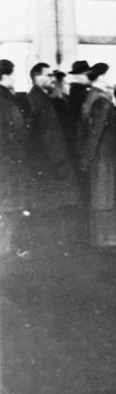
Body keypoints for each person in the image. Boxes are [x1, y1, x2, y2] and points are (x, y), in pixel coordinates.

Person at [24, 62, 79, 250]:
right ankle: (49, 249)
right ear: (37, 77)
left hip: (46, 163)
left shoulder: (40, 99)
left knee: (50, 207)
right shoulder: (39, 101)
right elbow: (49, 137)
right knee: (48, 208)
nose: (52, 79)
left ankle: (50, 247)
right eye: (48, 75)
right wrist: (61, 162)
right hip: (48, 164)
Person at [77, 63, 116, 249]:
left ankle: (101, 240)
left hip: (99, 155)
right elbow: (95, 132)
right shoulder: (102, 100)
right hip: (105, 156)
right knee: (107, 198)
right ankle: (107, 241)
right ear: (102, 77)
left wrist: (85, 158)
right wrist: (88, 158)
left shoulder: (91, 96)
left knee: (101, 198)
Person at [0, 59, 28, 255]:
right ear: (7, 76)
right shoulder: (7, 103)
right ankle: (5, 250)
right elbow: (16, 133)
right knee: (10, 206)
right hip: (8, 162)